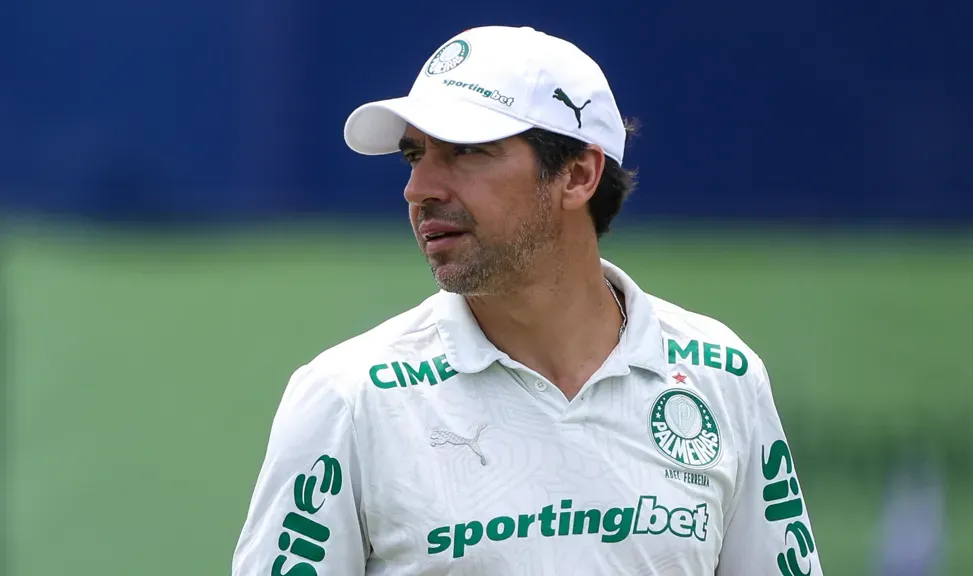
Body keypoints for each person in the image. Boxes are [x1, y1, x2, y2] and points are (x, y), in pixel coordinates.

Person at [231, 25, 823, 576]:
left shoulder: (723, 374)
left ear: (577, 175)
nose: (418, 189)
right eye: (415, 155)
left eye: (465, 151)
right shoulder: (348, 397)